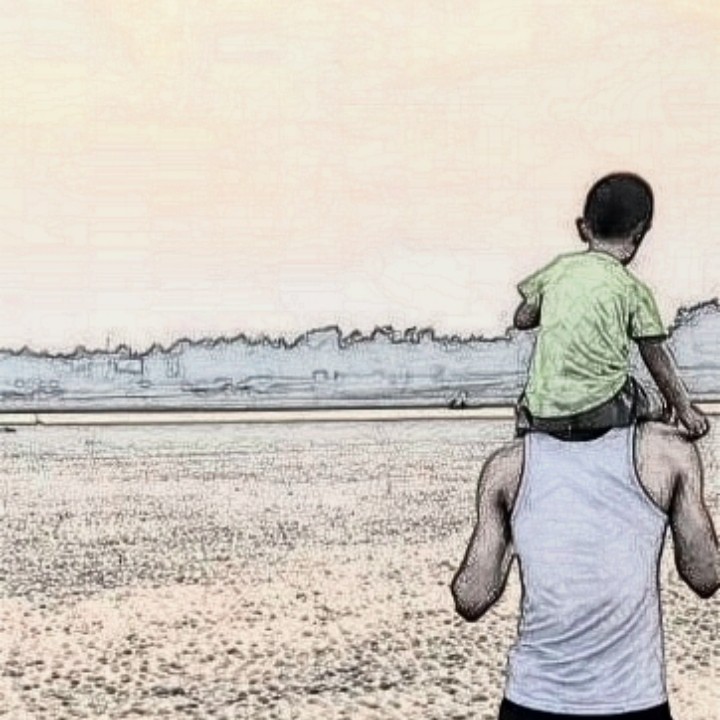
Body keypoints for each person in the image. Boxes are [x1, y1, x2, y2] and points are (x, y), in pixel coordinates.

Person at [450, 422, 719, 719]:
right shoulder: (666, 453)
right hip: (633, 700)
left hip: (535, 699)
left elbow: (471, 598)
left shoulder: (509, 466)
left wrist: (518, 531)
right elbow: (705, 576)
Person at [514, 173, 709, 441]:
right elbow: (655, 355)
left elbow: (522, 320)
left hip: (543, 411)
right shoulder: (633, 288)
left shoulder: (557, 269)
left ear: (583, 228)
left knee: (531, 397)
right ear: (639, 234)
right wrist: (685, 410)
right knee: (653, 401)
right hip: (603, 408)